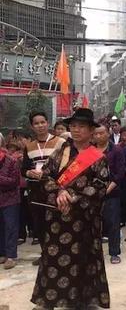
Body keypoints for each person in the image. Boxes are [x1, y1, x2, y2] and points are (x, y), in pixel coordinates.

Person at [31, 108, 111, 309]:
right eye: (73, 126)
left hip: (83, 220)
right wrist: (59, 192)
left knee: (82, 260)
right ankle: (50, 299)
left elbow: (100, 185)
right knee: (53, 258)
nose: (76, 130)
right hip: (58, 217)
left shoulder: (98, 157)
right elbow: (46, 176)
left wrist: (74, 198)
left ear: (91, 131)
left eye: (81, 126)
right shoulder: (62, 150)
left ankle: (82, 301)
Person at [22, 112, 66, 265]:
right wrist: (29, 172)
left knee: (56, 223)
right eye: (36, 123)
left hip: (54, 190)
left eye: (43, 122)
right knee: (39, 224)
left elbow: (65, 166)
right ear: (32, 126)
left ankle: (59, 255)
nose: (40, 126)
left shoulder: (60, 142)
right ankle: (45, 254)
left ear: (48, 123)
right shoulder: (29, 146)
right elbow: (24, 169)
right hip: (35, 191)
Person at [93, 124, 126, 264]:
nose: (99, 136)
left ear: (108, 133)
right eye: (96, 134)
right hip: (93, 193)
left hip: (112, 192)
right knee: (94, 224)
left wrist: (108, 188)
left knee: (113, 223)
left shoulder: (116, 150)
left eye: (102, 133)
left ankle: (114, 253)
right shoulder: (90, 150)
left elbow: (120, 172)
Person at [0, 141, 21, 270]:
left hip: (10, 199)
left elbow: (15, 181)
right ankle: (2, 253)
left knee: (10, 227)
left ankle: (11, 256)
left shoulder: (11, 160)